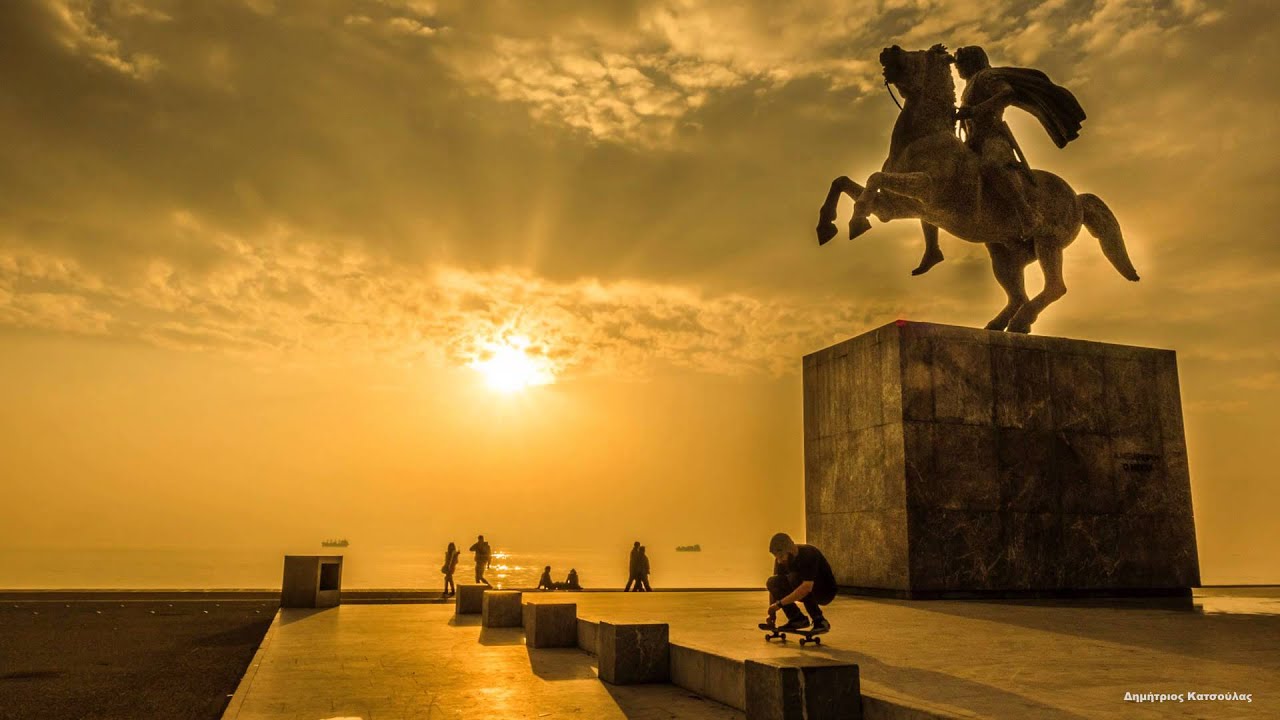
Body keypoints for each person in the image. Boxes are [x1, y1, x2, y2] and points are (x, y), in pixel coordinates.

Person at [953, 46, 1084, 240]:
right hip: (972, 142)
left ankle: (1026, 213)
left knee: (992, 166)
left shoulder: (987, 76)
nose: (957, 68)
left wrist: (975, 110)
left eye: (960, 63)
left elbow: (1007, 94)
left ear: (972, 61)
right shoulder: (969, 85)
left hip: (993, 137)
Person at [760, 532, 836, 633]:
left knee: (794, 578)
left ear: (790, 549)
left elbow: (806, 588)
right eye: (777, 557)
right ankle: (797, 619)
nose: (779, 560)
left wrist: (779, 604)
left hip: (825, 591)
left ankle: (819, 620)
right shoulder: (781, 561)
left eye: (781, 556)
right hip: (803, 586)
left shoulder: (808, 554)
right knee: (772, 581)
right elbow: (775, 587)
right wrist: (772, 613)